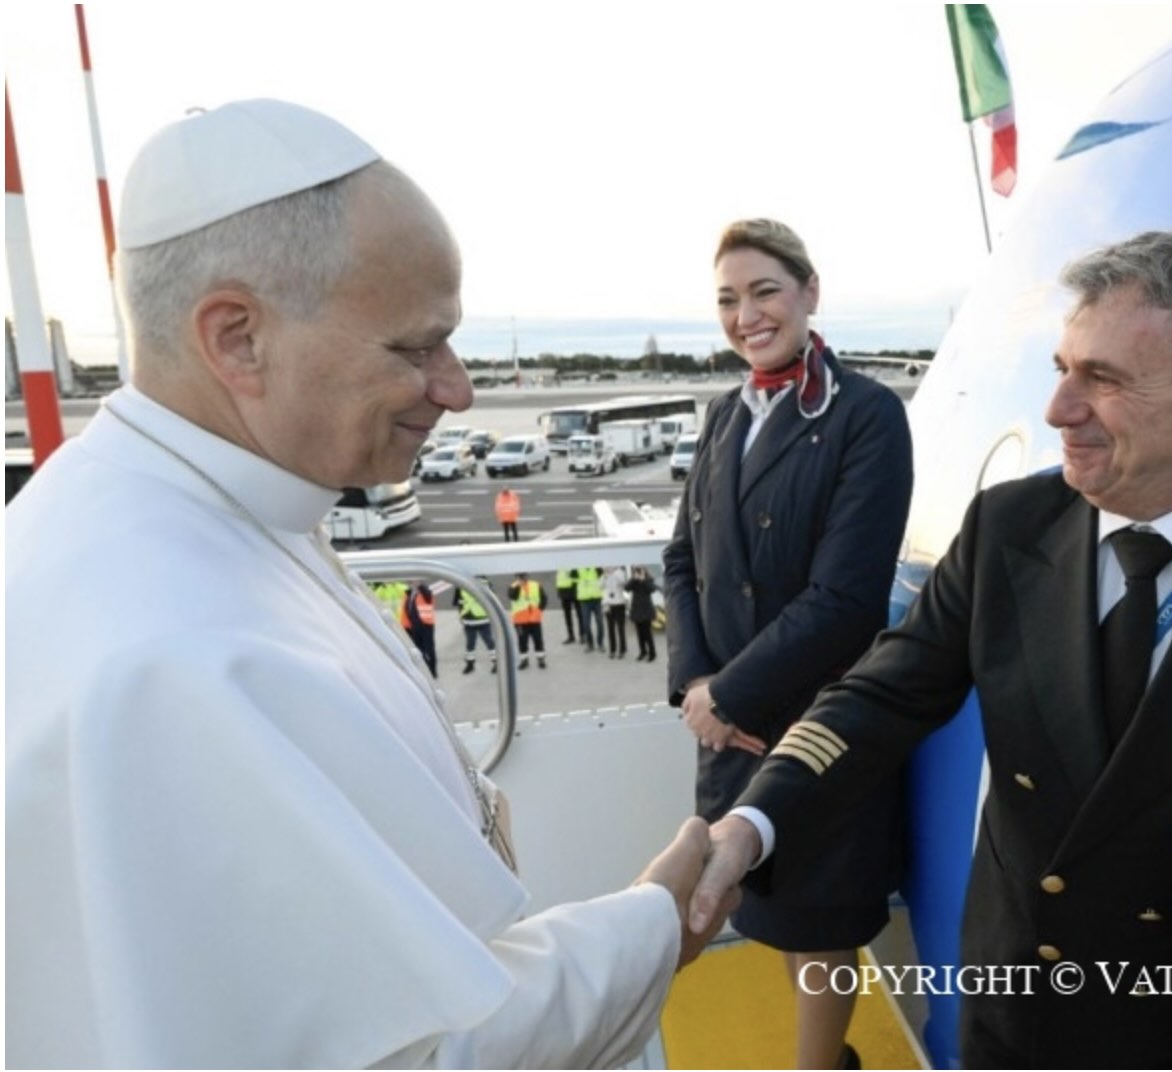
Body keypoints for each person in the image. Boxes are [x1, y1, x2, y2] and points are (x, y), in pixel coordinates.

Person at [4, 99, 735, 1069]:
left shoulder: (182, 506)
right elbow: (422, 1054)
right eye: (413, 345)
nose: (458, 388)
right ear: (237, 338)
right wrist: (658, 925)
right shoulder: (175, 652)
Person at [693, 231, 1172, 1069]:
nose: (1058, 408)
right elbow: (878, 698)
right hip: (1010, 1011)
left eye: (1103, 379)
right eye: (1062, 368)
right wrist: (751, 826)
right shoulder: (1009, 529)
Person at [665, 218, 914, 1070]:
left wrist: (727, 694)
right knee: (735, 903)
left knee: (816, 921)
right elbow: (680, 557)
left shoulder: (868, 416)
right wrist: (698, 687)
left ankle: (819, 1066)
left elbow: (845, 600)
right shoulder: (724, 415)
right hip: (727, 717)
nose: (747, 315)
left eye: (765, 290)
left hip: (817, 719)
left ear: (810, 292)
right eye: (729, 299)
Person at [454, 582, 498, 674]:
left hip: (481, 619)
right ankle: (471, 663)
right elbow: (459, 603)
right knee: (473, 643)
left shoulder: (462, 584)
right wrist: (461, 616)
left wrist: (461, 615)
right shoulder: (485, 584)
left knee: (486, 642)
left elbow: (458, 604)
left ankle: (495, 662)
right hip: (471, 620)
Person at [508, 571, 547, 670]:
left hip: (535, 619)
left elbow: (544, 598)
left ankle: (541, 659)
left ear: (527, 576)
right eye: (519, 576)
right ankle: (524, 660)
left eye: (523, 576)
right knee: (522, 641)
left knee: (538, 639)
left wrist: (539, 610)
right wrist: (518, 586)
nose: (522, 578)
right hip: (520, 621)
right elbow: (513, 597)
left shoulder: (535, 585)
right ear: (516, 577)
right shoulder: (512, 587)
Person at [404, 581, 439, 678]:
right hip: (415, 626)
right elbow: (408, 609)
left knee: (429, 649)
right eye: (411, 582)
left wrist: (420, 586)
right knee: (418, 649)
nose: (412, 584)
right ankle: (424, 670)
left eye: (413, 582)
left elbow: (428, 596)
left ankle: (433, 671)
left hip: (426, 625)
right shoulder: (410, 594)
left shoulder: (425, 592)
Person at [625, 565, 658, 662]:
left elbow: (652, 589)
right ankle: (643, 652)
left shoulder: (649, 579)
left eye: (640, 570)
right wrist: (634, 579)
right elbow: (626, 588)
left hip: (646, 610)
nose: (639, 572)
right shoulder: (634, 581)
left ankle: (652, 653)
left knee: (647, 633)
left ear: (645, 571)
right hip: (636, 610)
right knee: (639, 634)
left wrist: (643, 580)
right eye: (637, 570)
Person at [575, 565, 604, 652]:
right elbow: (570, 578)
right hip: (584, 600)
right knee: (586, 624)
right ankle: (590, 644)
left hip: (597, 599)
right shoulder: (577, 569)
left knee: (600, 623)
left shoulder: (596, 567)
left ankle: (600, 643)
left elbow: (603, 577)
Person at [603, 564, 630, 659]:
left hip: (619, 604)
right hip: (609, 605)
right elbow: (600, 586)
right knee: (610, 629)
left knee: (620, 628)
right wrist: (605, 576)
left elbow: (623, 583)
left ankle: (622, 650)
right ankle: (612, 650)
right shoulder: (604, 574)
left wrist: (613, 574)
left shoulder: (620, 572)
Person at [556, 567, 580, 643]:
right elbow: (559, 580)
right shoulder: (560, 567)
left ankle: (582, 635)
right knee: (567, 616)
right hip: (564, 593)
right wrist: (559, 593)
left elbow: (578, 578)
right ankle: (571, 636)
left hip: (574, 591)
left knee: (580, 615)